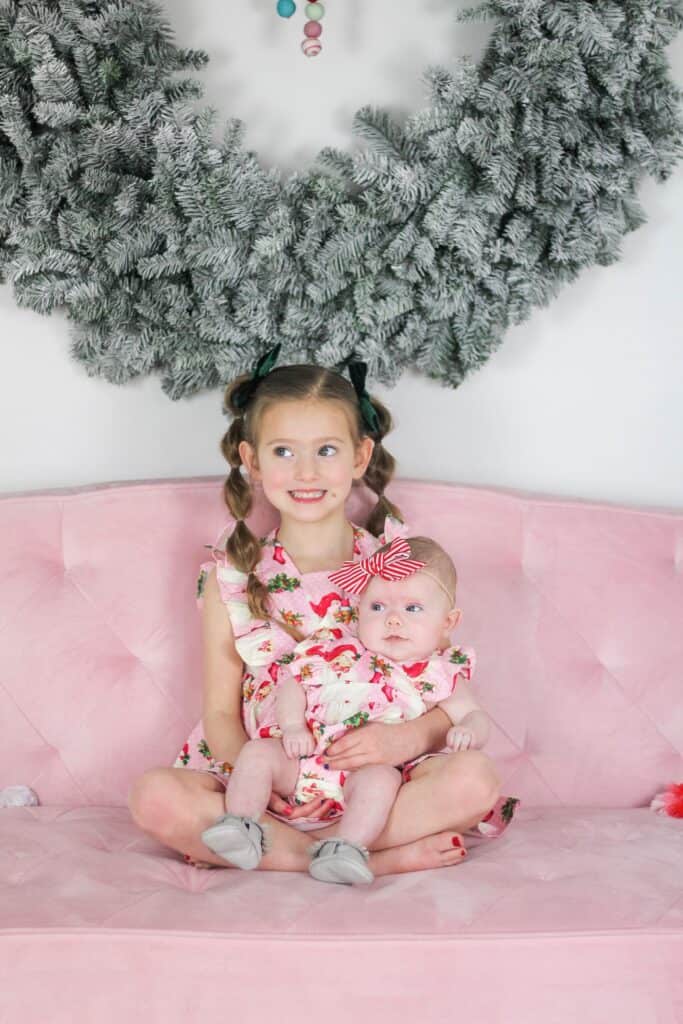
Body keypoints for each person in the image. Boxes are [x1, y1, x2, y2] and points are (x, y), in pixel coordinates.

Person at [128, 349, 515, 876]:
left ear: (359, 457)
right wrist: (266, 786)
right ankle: (370, 858)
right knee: (155, 797)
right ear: (252, 459)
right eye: (283, 451)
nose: (306, 471)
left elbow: (437, 685)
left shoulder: (398, 562)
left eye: (326, 450)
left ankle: (315, 847)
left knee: (475, 779)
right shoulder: (234, 578)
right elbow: (220, 714)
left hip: (378, 777)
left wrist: (404, 739)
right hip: (269, 775)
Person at [201, 533, 491, 885]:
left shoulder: (439, 671)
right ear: (359, 609)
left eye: (412, 608)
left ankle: (345, 846)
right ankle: (241, 824)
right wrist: (292, 726)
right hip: (300, 762)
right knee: (258, 754)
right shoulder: (337, 646)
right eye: (378, 607)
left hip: (362, 778)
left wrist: (467, 730)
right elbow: (295, 681)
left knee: (383, 780)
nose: (393, 620)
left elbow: (473, 715)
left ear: (448, 622)